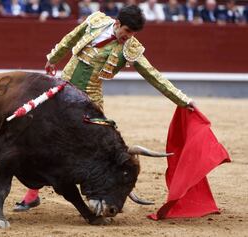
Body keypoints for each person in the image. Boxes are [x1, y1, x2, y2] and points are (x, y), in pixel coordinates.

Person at [13, 5, 196, 211]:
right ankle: (33, 194)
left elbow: (153, 75)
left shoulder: (131, 48)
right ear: (117, 24)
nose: (129, 37)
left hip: (89, 101)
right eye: (127, 31)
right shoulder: (96, 21)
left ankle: (103, 191)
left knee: (94, 149)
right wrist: (53, 58)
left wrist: (182, 100)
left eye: (133, 33)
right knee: (41, 137)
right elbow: (71, 37)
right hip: (61, 89)